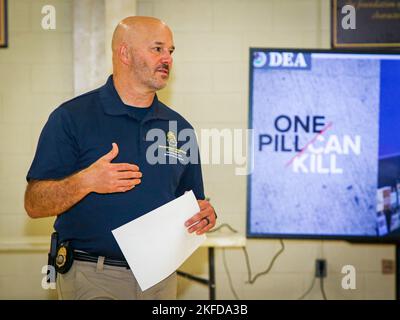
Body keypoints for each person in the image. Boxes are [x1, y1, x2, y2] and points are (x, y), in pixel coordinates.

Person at [24, 16, 217, 300]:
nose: (167, 59)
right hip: (95, 276)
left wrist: (205, 214)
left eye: (171, 51)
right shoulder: (72, 118)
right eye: (157, 49)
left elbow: (192, 203)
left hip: (161, 279)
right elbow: (34, 203)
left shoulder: (179, 128)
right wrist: (86, 182)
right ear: (124, 53)